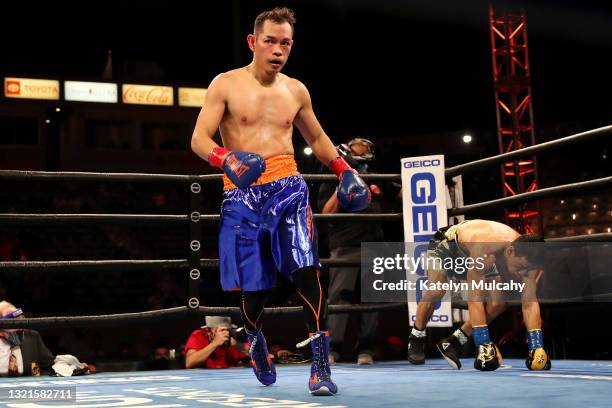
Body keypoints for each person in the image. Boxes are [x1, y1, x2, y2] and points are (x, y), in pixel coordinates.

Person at [190, 7, 370, 395]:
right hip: (242, 195)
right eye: (269, 41)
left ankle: (320, 366)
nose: (277, 49)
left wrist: (344, 170)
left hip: (289, 188)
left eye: (284, 42)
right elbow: (200, 138)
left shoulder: (296, 90)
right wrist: (227, 158)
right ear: (253, 42)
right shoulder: (224, 84)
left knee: (307, 270)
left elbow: (318, 139)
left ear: (291, 46)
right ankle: (255, 341)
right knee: (255, 290)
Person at [406, 219, 551, 371]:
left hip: (480, 255)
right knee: (436, 290)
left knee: (498, 303)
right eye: (521, 267)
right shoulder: (484, 248)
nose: (523, 274)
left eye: (527, 269)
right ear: (509, 252)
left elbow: (529, 302)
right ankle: (416, 337)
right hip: (447, 245)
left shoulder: (530, 258)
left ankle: (454, 342)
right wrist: (484, 344)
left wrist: (537, 346)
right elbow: (475, 299)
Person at [318, 138, 385, 365]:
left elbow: (398, 199)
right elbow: (325, 214)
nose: (363, 149)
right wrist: (342, 185)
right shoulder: (331, 175)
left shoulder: (376, 176)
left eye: (366, 147)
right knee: (339, 299)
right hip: (345, 245)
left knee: (374, 301)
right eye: (358, 146)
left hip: (376, 245)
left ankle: (366, 349)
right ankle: (333, 350)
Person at [0, 301, 54, 376]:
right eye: (13, 320)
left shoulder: (32, 336)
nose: (19, 326)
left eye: (19, 317)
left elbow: (49, 366)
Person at [184, 316, 250, 369]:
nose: (226, 333)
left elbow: (255, 362)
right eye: (222, 330)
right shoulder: (199, 335)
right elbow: (189, 363)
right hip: (205, 380)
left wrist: (241, 347)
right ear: (209, 332)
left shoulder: (233, 338)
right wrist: (215, 343)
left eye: (228, 330)